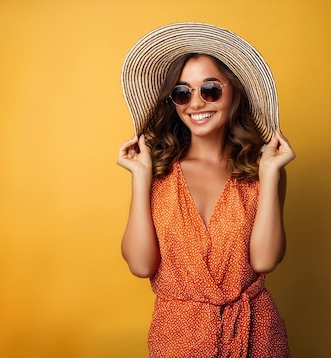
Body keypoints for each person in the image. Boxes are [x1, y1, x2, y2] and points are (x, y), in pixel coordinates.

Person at [116, 23, 294, 357]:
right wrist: (140, 179)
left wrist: (270, 173)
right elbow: (141, 266)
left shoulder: (261, 172)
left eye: (210, 89)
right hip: (178, 336)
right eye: (183, 93)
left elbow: (265, 260)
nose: (196, 103)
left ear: (234, 93)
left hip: (257, 334)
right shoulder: (156, 173)